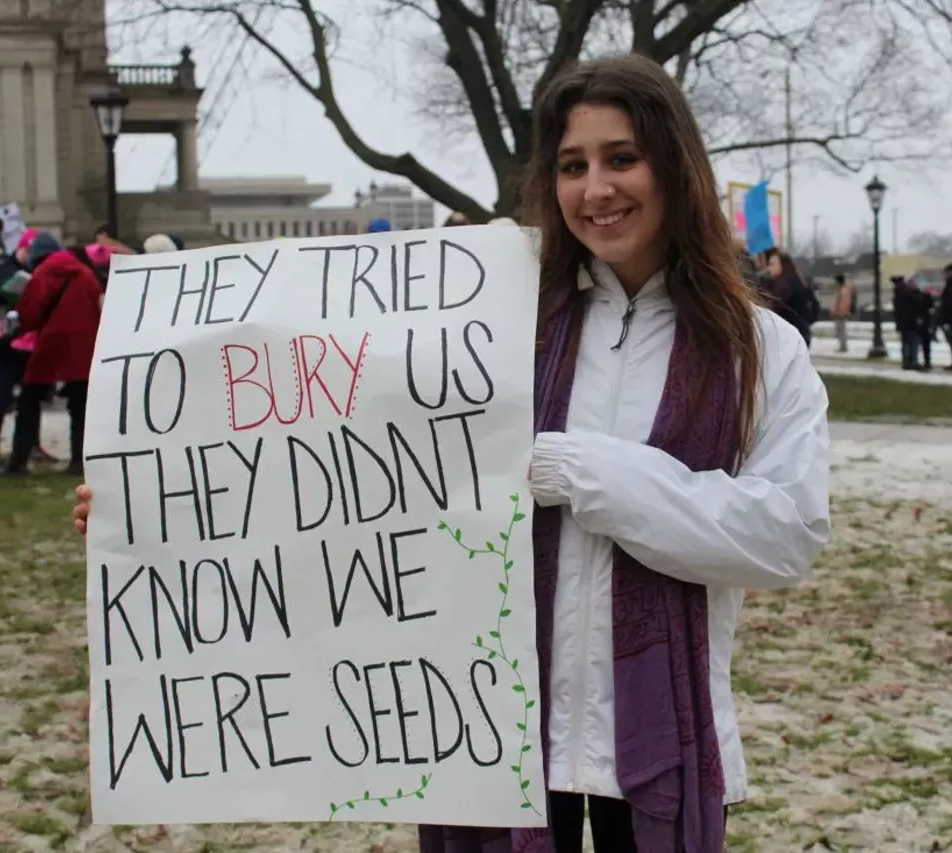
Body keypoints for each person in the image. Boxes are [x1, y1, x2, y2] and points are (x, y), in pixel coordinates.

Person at [77, 53, 831, 853]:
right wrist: (155, 511)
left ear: (674, 166)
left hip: (653, 750)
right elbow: (349, 471)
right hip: (489, 737)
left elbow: (784, 532)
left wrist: (577, 470)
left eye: (622, 158)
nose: (596, 190)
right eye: (573, 165)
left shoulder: (757, 349)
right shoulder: (493, 323)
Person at [4, 232, 103, 476]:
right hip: (84, 345)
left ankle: (19, 461)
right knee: (80, 406)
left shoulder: (43, 273)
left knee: (29, 400)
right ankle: (79, 462)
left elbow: (31, 313)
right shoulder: (85, 273)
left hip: (51, 343)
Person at [760, 247, 815, 346]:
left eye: (772, 264)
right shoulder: (798, 281)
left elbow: (773, 311)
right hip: (801, 334)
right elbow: (815, 305)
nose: (768, 268)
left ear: (783, 266)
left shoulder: (785, 286)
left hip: (790, 338)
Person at [831, 273, 854, 353]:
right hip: (841, 313)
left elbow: (843, 303)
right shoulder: (844, 289)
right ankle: (842, 346)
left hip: (840, 314)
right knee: (840, 330)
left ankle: (843, 347)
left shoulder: (843, 290)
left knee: (841, 331)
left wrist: (838, 312)